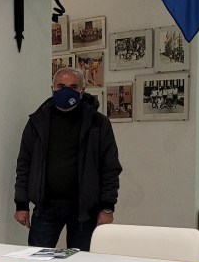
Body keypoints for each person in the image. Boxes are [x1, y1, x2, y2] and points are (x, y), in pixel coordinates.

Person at [14, 66, 121, 251]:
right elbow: (24, 164)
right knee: (37, 258)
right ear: (53, 89)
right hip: (46, 207)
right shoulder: (37, 122)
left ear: (82, 91)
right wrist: (21, 204)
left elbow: (110, 167)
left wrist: (107, 207)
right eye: (61, 86)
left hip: (84, 210)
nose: (66, 91)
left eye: (73, 87)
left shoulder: (98, 123)